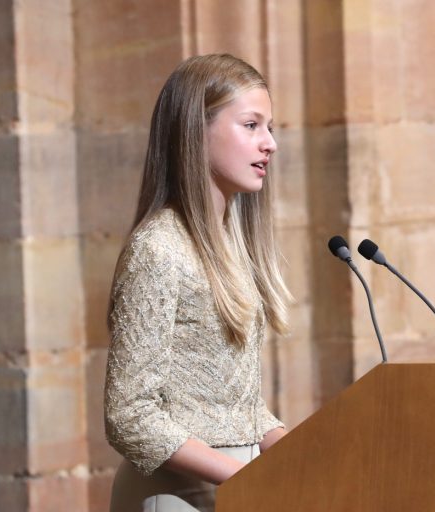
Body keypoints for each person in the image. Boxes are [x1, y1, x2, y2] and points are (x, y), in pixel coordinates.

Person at [104, 53, 292, 512]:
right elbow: (129, 415)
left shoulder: (231, 245)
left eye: (269, 128)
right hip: (178, 496)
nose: (269, 143)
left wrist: (297, 447)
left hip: (236, 489)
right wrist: (245, 476)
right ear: (195, 132)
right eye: (251, 125)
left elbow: (227, 406)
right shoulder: (158, 249)